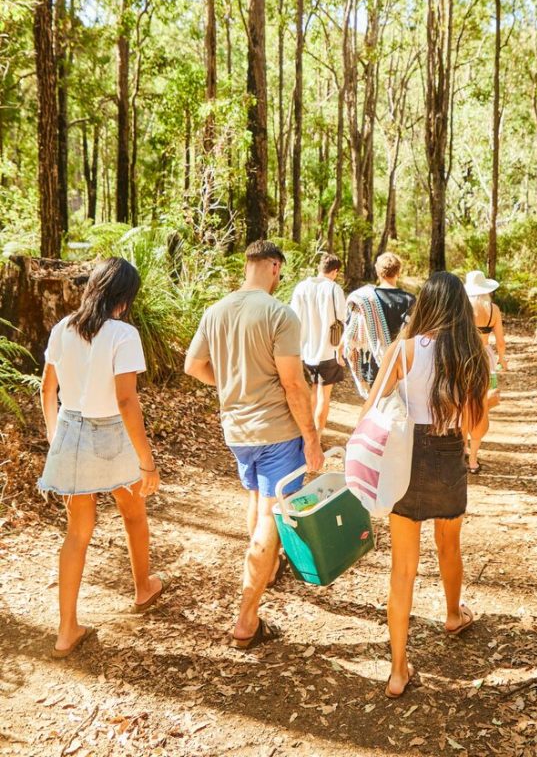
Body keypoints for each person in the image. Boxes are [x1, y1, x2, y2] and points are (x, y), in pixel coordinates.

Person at [184, 239, 324, 649]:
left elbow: (193, 366)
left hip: (237, 430)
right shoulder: (280, 314)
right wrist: (312, 438)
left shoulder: (216, 310)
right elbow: (294, 384)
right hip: (277, 431)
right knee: (270, 514)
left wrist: (230, 385)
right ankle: (246, 618)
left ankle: (268, 568)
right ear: (275, 267)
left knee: (254, 498)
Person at [358, 272, 489, 698]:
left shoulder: (404, 349)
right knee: (449, 545)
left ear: (426, 305)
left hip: (405, 457)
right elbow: (476, 427)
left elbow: (373, 406)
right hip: (448, 453)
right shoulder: (472, 354)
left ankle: (398, 671)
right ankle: (453, 615)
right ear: (461, 310)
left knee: (403, 569)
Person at [38, 257, 164, 659]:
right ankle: (143, 588)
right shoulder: (123, 335)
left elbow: (47, 389)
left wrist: (56, 436)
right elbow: (127, 400)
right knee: (133, 513)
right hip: (112, 432)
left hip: (71, 429)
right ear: (124, 299)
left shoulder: (63, 328)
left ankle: (65, 630)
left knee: (77, 533)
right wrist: (147, 460)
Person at [344, 252, 415, 398]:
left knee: (374, 412)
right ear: (398, 272)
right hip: (401, 367)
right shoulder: (410, 300)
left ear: (377, 271)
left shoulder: (365, 300)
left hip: (373, 366)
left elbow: (352, 334)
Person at [290, 253, 346, 434]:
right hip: (327, 350)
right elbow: (342, 319)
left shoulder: (301, 287)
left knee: (313, 389)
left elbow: (293, 317)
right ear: (335, 271)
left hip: (304, 349)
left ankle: (307, 432)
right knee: (323, 393)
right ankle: (317, 435)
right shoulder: (333, 289)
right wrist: (340, 350)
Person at [463, 269, 509, 475]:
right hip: (486, 358)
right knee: (482, 406)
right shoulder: (494, 310)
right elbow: (500, 341)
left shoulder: (463, 308)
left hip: (464, 357)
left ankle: (461, 451)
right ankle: (473, 459)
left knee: (462, 404)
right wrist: (502, 360)